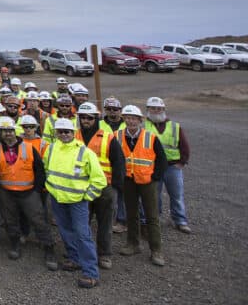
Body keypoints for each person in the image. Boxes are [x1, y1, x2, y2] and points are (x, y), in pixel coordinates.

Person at [43, 117, 107, 288]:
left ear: (73, 133)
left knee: (82, 235)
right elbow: (46, 169)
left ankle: (91, 273)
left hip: (78, 202)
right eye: (60, 132)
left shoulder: (85, 152)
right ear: (56, 133)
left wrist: (87, 196)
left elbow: (99, 180)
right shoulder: (51, 149)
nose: (64, 135)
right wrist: (51, 189)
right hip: (58, 199)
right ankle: (75, 258)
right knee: (66, 231)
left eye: (67, 132)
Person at [0, 118, 58, 270]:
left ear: (15, 131)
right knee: (10, 220)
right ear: (0, 133)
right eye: (4, 131)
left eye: (10, 131)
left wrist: (37, 190)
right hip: (6, 192)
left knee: (39, 220)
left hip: (28, 192)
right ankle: (15, 244)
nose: (8, 134)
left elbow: (39, 170)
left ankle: (49, 248)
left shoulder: (28, 147)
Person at [75, 102, 126, 270]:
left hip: (105, 187)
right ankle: (82, 252)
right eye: (83, 117)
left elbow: (118, 161)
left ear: (96, 119)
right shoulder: (74, 136)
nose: (86, 121)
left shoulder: (107, 137)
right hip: (82, 187)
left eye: (89, 118)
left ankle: (104, 254)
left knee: (105, 223)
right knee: (83, 223)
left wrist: (117, 186)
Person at [118, 105, 167, 267]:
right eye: (128, 118)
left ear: (140, 120)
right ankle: (133, 244)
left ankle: (156, 250)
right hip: (128, 181)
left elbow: (161, 159)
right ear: (124, 119)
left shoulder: (150, 137)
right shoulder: (116, 136)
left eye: (134, 118)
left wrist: (155, 177)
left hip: (147, 182)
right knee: (131, 214)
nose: (130, 121)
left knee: (152, 216)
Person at [143, 97, 192, 234]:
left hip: (172, 167)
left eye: (159, 108)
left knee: (177, 195)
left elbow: (184, 145)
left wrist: (182, 162)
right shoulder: (143, 126)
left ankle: (180, 221)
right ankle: (155, 219)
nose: (156, 111)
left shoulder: (175, 126)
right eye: (153, 108)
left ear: (163, 110)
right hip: (152, 167)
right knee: (154, 195)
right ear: (148, 110)